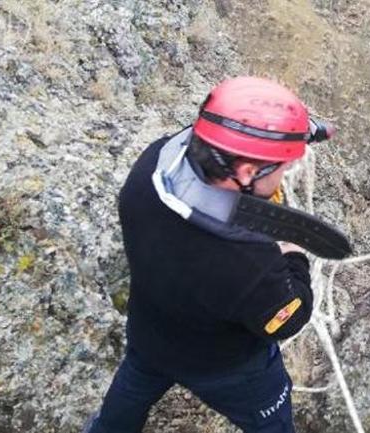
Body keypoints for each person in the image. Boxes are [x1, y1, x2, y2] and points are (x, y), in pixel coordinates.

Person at [85, 76, 329, 433]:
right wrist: (293, 256)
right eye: (282, 167)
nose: (287, 172)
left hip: (151, 334)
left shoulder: (152, 165)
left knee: (128, 397)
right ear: (247, 172)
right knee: (272, 422)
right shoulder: (249, 261)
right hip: (224, 367)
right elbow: (287, 318)